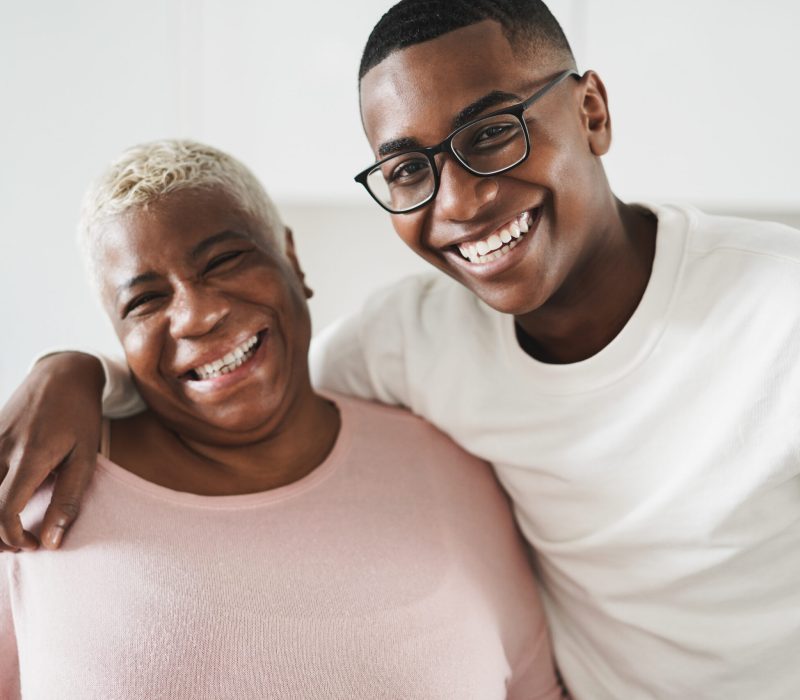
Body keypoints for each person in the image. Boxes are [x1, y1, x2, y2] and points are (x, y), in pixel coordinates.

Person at [1, 0, 799, 697]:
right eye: (409, 168)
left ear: (591, 113)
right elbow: (240, 370)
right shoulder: (409, 346)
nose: (459, 200)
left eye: (493, 133)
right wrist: (73, 372)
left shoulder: (779, 311)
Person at [0, 140, 564, 699]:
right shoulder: (27, 497)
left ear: (291, 259)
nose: (197, 315)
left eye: (223, 261)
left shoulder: (450, 466)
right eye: (144, 301)